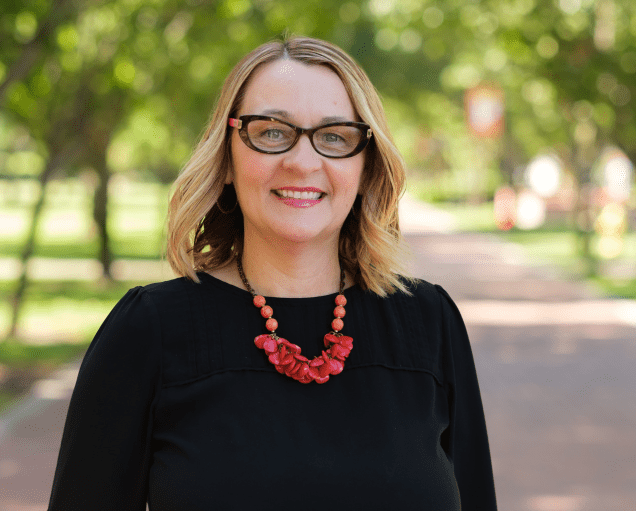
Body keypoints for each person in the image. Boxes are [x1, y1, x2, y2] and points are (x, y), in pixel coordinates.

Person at [48, 36, 498, 510]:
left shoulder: (428, 323)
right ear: (226, 155)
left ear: (366, 167)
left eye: (335, 137)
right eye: (270, 132)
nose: (302, 162)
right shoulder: (148, 331)